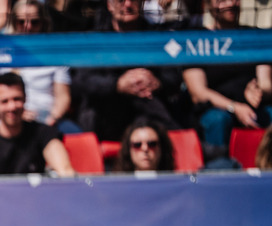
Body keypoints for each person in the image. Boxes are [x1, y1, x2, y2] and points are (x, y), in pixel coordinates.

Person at [70, 0, 190, 142]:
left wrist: (157, 82)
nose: (127, 4)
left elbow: (174, 76)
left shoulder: (157, 36)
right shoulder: (94, 39)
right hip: (106, 117)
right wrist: (118, 85)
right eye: (120, 0)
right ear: (109, 5)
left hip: (151, 113)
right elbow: (80, 81)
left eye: (133, 0)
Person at [181, 0, 272, 158]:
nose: (230, 4)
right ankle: (219, 170)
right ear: (209, 5)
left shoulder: (255, 36)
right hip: (216, 111)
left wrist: (258, 91)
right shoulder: (197, 39)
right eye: (222, 0)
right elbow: (198, 92)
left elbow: (266, 83)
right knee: (218, 120)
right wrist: (234, 107)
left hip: (252, 108)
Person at [0, 0, 79, 135]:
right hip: (13, 112)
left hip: (48, 115)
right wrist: (19, 114)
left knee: (78, 136)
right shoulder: (4, 53)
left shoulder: (55, 55)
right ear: (13, 22)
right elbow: (0, 96)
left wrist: (52, 119)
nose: (28, 26)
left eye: (34, 22)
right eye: (21, 22)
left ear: (43, 23)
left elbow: (63, 97)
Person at [0, 72, 75, 177]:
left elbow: (66, 172)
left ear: (25, 98)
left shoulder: (43, 133)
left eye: (17, 99)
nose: (12, 107)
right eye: (4, 101)